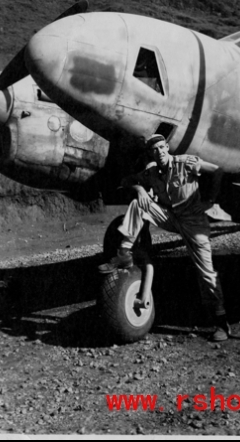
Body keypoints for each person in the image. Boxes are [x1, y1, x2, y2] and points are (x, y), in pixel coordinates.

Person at [99, 134, 230, 342]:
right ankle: (124, 253)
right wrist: (140, 189)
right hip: (170, 216)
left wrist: (211, 201)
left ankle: (220, 322)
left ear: (167, 148)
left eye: (161, 148)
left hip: (193, 221)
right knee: (139, 204)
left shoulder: (185, 162)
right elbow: (126, 181)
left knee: (206, 273)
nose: (159, 152)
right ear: (151, 153)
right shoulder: (151, 172)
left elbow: (217, 171)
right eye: (155, 150)